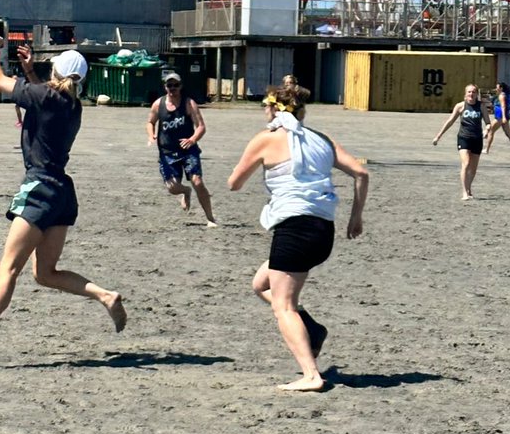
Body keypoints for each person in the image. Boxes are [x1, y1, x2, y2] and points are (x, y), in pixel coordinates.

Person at [0, 39, 126, 357]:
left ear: (55, 71)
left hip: (39, 189)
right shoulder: (73, 104)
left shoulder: (45, 96)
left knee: (8, 269)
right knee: (45, 273)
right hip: (62, 194)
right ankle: (105, 295)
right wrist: (29, 72)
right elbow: (45, 96)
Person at [228, 82, 368, 391]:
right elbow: (361, 173)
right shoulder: (321, 139)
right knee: (260, 284)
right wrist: (355, 217)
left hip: (295, 230)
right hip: (323, 231)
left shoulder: (266, 139)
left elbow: (234, 183)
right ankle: (312, 329)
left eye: (265, 107)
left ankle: (311, 375)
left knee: (283, 307)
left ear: (273, 109)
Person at [146, 71, 216, 226]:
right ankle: (185, 191)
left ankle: (210, 218)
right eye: (169, 85)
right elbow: (150, 122)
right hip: (167, 152)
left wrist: (192, 139)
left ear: (181, 86)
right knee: (172, 187)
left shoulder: (189, 103)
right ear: (165, 87)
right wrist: (151, 136)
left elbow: (201, 127)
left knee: (197, 181)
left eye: (176, 85)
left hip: (188, 150)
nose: (173, 88)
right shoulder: (158, 104)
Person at [433, 83, 492, 201]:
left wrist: (486, 130)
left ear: (477, 94)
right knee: (466, 163)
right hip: (464, 138)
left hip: (477, 139)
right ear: (465, 93)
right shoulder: (460, 106)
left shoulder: (481, 106)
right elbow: (450, 121)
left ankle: (469, 188)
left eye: (473, 92)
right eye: (469, 92)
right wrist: (438, 136)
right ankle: (464, 192)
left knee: (473, 168)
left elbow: (488, 123)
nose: (471, 94)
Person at [484, 81, 510, 155]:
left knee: (491, 131)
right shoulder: (504, 94)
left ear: (501, 88)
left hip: (499, 116)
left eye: (497, 87)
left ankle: (487, 149)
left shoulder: (501, 96)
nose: (496, 88)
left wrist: (503, 117)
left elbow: (503, 106)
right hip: (503, 116)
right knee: (508, 133)